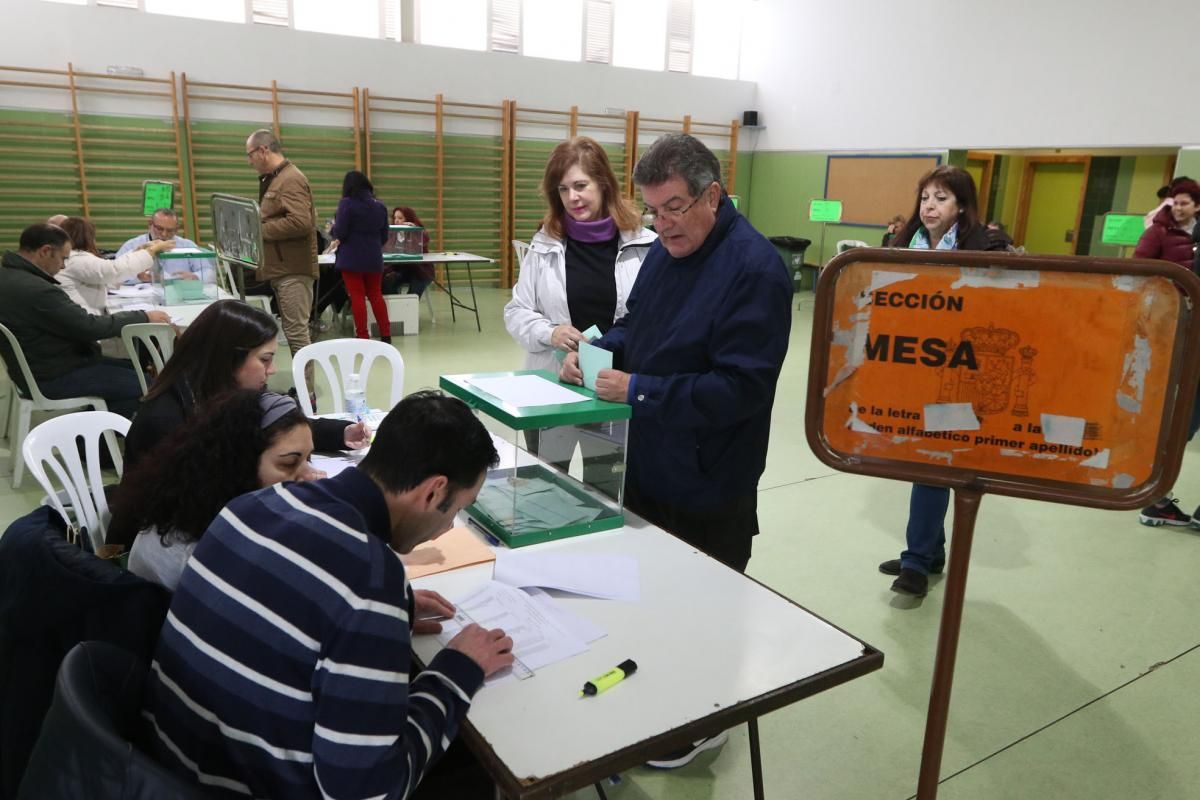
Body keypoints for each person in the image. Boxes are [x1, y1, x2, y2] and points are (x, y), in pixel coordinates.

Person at [141, 391, 514, 799]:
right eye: (456, 509)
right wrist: (455, 671)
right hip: (237, 787)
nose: (448, 527)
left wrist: (394, 613)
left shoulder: (252, 505)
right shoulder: (369, 576)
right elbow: (367, 791)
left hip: (167, 768)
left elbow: (287, 614)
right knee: (475, 766)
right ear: (431, 492)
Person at [560, 133, 791, 769]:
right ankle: (657, 697)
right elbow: (639, 323)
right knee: (652, 594)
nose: (662, 226)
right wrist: (599, 351)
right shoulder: (666, 251)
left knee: (705, 604)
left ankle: (708, 716)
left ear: (713, 195)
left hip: (713, 477)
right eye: (653, 211)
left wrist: (638, 389)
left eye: (675, 208)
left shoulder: (756, 270)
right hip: (652, 461)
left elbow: (740, 388)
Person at [876, 166, 1007, 598]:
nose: (930, 206)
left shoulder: (984, 247)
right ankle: (930, 553)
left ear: (962, 206)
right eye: (925, 197)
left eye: (942, 198)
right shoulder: (904, 244)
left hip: (961, 373)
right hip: (916, 370)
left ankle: (916, 562)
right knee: (923, 460)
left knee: (930, 464)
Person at [505, 136, 655, 487]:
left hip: (611, 391)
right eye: (563, 189)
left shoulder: (644, 245)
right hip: (552, 388)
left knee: (606, 490)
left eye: (580, 186)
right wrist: (550, 333)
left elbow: (649, 320)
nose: (572, 198)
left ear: (603, 183)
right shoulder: (545, 244)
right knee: (542, 488)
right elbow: (517, 311)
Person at [119, 299, 369, 479]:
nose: (271, 370)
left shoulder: (224, 393)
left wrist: (342, 433)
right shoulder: (166, 421)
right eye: (264, 359)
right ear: (229, 359)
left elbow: (280, 426)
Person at [114, 390, 316, 591]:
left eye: (308, 459)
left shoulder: (211, 505)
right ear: (240, 464)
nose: (311, 476)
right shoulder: (203, 549)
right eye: (290, 463)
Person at [0, 224, 169, 419]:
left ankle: (97, 427)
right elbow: (90, 327)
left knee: (135, 369)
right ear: (45, 251)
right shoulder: (37, 290)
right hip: (53, 375)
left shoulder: (9, 276)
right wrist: (144, 316)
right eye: (63, 259)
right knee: (146, 384)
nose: (63, 266)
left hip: (37, 367)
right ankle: (89, 441)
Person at [1133, 179, 1200, 526]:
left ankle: (1157, 498)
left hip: (1189, 333)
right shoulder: (1159, 231)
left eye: (1186, 201)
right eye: (1176, 201)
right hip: (1173, 331)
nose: (1179, 206)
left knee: (1181, 418)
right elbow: (1139, 271)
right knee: (1177, 418)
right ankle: (1156, 498)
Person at [245, 128, 318, 373]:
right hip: (280, 268)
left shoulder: (290, 179)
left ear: (263, 150)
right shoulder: (275, 178)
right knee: (293, 330)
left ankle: (308, 396)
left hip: (293, 269)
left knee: (297, 333)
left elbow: (301, 222)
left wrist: (260, 230)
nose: (249, 161)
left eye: (250, 154)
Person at [56, 216, 173, 315]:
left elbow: (108, 276)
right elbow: (114, 271)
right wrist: (151, 251)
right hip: (83, 320)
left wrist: (141, 250)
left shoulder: (74, 258)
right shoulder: (76, 260)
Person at [330, 170, 391, 341]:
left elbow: (340, 232)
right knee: (376, 295)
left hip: (351, 258)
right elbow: (384, 236)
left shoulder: (346, 204)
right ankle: (386, 334)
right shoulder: (380, 206)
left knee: (357, 296)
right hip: (373, 258)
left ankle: (363, 336)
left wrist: (332, 229)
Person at [115, 208, 210, 279]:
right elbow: (114, 274)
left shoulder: (187, 246)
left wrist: (195, 276)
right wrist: (137, 277)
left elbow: (209, 271)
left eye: (170, 230)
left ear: (177, 229)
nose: (164, 234)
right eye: (159, 229)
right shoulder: (132, 245)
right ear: (150, 224)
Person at [382, 205, 434, 297]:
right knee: (387, 282)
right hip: (402, 271)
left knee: (414, 291)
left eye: (400, 218)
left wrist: (414, 231)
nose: (396, 221)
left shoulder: (417, 232)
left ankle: (409, 309)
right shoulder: (392, 233)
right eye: (395, 218)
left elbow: (425, 239)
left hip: (420, 271)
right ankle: (397, 306)